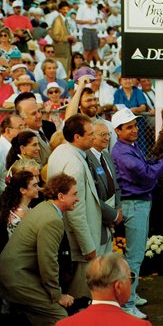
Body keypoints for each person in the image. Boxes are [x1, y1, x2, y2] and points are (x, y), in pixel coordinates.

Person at [111, 108, 163, 319]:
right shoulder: (123, 152)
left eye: (135, 125)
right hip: (134, 204)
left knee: (135, 255)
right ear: (118, 130)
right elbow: (147, 175)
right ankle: (127, 303)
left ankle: (132, 294)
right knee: (134, 256)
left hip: (137, 203)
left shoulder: (129, 147)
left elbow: (146, 165)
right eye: (129, 127)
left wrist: (162, 161)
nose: (134, 130)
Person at [0, 173, 78, 326]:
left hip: (15, 275)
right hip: (17, 279)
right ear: (61, 196)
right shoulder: (52, 220)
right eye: (74, 194)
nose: (78, 198)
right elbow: (48, 261)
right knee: (60, 317)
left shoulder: (45, 208)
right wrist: (57, 296)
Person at [47, 114, 102, 299]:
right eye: (90, 134)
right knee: (81, 297)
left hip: (68, 238)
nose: (95, 137)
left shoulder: (61, 151)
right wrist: (87, 246)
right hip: (77, 243)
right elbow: (75, 212)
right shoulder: (74, 164)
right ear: (77, 137)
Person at [56, 253, 152, 326]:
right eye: (130, 279)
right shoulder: (140, 325)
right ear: (118, 287)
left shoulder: (64, 324)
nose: (131, 283)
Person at [86, 120, 122, 255]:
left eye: (108, 134)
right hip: (97, 221)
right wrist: (113, 216)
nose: (107, 138)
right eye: (103, 134)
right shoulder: (87, 158)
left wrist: (118, 209)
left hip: (110, 220)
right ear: (92, 136)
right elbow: (92, 196)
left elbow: (115, 185)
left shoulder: (106, 155)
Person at [15, 92, 56, 166]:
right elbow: (37, 167)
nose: (39, 115)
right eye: (33, 114)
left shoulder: (44, 129)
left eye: (39, 111)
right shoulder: (25, 140)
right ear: (22, 119)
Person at [0, 170, 39, 239]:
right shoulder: (21, 213)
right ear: (23, 190)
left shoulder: (19, 207)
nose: (38, 188)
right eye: (34, 185)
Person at [0, 115, 26, 193]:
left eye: (25, 126)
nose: (25, 130)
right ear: (8, 131)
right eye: (20, 127)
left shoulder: (16, 146)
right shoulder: (1, 150)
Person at [50, 1, 76, 74]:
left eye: (67, 9)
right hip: (60, 52)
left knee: (67, 72)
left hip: (67, 51)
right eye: (63, 9)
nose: (65, 11)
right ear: (59, 10)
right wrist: (67, 38)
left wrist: (71, 39)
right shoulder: (57, 21)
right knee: (61, 73)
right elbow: (55, 36)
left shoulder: (65, 20)